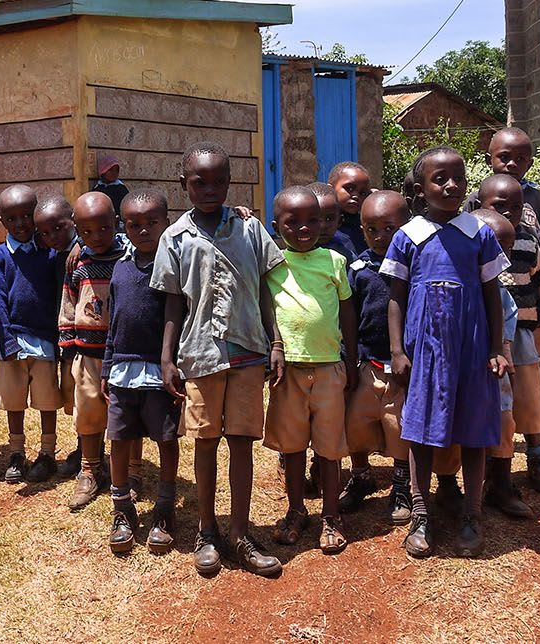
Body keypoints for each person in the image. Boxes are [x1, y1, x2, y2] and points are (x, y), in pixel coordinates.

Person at [154, 141, 284, 577]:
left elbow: (267, 291)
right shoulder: (174, 238)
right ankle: (207, 532)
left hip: (248, 351)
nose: (210, 189)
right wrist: (167, 357)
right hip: (200, 355)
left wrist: (277, 343)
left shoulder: (250, 229)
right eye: (199, 182)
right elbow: (173, 304)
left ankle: (241, 534)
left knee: (242, 444)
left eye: (219, 181)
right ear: (183, 185)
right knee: (206, 442)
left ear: (231, 182)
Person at [383, 146, 510, 559]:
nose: (452, 185)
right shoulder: (408, 236)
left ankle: (472, 514)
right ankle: (421, 516)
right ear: (421, 189)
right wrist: (397, 351)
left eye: (458, 177)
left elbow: (493, 295)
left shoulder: (479, 232)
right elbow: (396, 297)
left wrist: (495, 347)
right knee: (421, 430)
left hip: (472, 348)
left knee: (473, 430)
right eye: (440, 179)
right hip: (426, 350)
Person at [261, 186, 356, 554]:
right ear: (276, 226)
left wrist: (350, 359)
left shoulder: (334, 262)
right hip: (289, 372)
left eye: (312, 220)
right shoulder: (272, 263)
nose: (304, 228)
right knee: (295, 446)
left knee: (330, 449)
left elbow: (347, 311)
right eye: (293, 222)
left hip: (330, 367)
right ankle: (297, 510)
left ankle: (330, 515)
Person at [341, 190, 441, 523]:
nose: (380, 236)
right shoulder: (357, 268)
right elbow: (350, 318)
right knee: (355, 422)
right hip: (368, 363)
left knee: (400, 427)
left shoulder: (417, 267)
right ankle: (361, 475)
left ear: (407, 226)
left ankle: (401, 484)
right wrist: (350, 359)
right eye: (371, 229)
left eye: (389, 228)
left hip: (405, 366)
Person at [475, 176, 540, 513]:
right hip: (482, 342)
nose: (509, 213)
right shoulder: (472, 242)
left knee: (527, 400)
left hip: (522, 335)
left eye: (516, 207)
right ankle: (486, 475)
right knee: (496, 407)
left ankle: (536, 458)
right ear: (480, 205)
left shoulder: (524, 241)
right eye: (500, 206)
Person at [103, 189, 181, 554]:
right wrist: (106, 364)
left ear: (166, 222)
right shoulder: (121, 265)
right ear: (124, 226)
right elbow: (113, 321)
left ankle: (165, 508)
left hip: (159, 372)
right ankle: (122, 508)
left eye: (152, 223)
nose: (143, 230)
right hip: (122, 371)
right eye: (134, 224)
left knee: (166, 439)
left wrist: (174, 364)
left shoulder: (172, 265)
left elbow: (177, 318)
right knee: (119, 439)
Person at [0, 185, 63, 484]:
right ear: (1, 220)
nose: (20, 223)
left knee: (46, 400)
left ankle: (47, 453)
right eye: (12, 218)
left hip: (44, 338)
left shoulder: (48, 252)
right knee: (14, 400)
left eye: (26, 216)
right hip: (13, 339)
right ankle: (17, 453)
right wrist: (5, 340)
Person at [60, 191, 128, 510]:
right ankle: (89, 469)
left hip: (125, 353)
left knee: (124, 414)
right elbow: (70, 302)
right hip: (88, 353)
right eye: (86, 232)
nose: (96, 237)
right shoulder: (78, 262)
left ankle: (127, 471)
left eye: (103, 228)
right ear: (77, 229)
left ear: (116, 223)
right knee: (88, 413)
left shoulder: (129, 256)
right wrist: (68, 343)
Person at [33, 194, 83, 475]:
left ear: (73, 221)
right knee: (71, 396)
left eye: (58, 228)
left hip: (88, 338)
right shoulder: (52, 256)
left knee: (85, 398)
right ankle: (81, 447)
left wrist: (83, 245)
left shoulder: (85, 250)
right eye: (45, 232)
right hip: (63, 338)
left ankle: (89, 450)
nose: (52, 236)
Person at [329, 161, 374, 255]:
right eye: (349, 189)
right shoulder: (324, 227)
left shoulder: (365, 228)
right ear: (331, 189)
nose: (356, 196)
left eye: (362, 193)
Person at [308, 181, 357, 262]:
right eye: (315, 219)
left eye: (329, 219)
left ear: (339, 221)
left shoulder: (345, 254)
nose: (323, 226)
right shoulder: (295, 250)